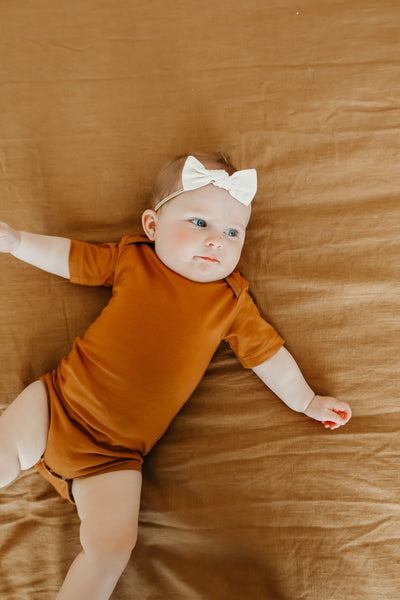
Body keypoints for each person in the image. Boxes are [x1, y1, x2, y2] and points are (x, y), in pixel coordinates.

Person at [0, 153, 352, 599]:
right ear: (152, 226)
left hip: (113, 459)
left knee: (112, 547)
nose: (216, 241)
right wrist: (16, 242)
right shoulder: (133, 260)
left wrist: (307, 400)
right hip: (57, 403)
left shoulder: (231, 302)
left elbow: (269, 356)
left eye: (232, 232)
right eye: (199, 223)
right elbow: (72, 258)